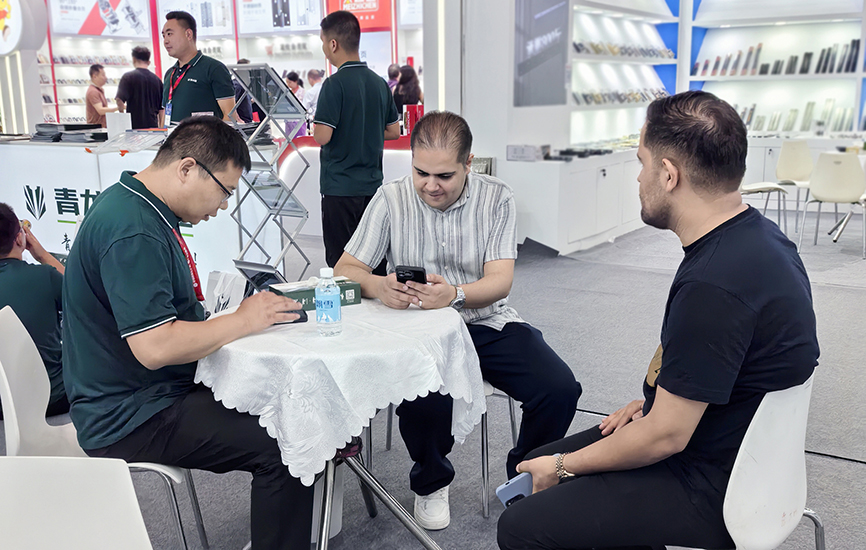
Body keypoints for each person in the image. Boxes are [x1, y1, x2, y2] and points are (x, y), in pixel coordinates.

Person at [497, 90, 820, 550]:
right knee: (535, 461)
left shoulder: (713, 284)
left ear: (669, 175)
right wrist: (658, 400)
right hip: (741, 446)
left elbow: (666, 437)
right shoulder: (760, 238)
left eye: (642, 163)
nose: (638, 177)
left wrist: (567, 466)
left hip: (714, 483)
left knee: (522, 522)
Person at [62, 116, 314, 550]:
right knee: (289, 443)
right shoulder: (134, 230)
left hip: (148, 391)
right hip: (132, 414)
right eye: (224, 191)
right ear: (187, 168)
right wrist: (243, 320)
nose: (223, 206)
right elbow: (155, 347)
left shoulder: (139, 205)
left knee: (292, 402)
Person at [335, 111, 581, 531]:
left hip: (484, 322)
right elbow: (346, 269)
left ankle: (526, 473)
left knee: (559, 389)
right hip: (417, 331)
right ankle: (431, 482)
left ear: (469, 163)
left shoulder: (496, 197)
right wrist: (378, 286)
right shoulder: (391, 198)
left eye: (444, 176)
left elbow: (500, 281)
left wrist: (455, 295)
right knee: (425, 394)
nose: (430, 185)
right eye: (421, 173)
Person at [314, 10, 399, 273]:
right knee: (374, 258)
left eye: (322, 42)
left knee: (341, 263)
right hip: (372, 188)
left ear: (333, 44)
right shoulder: (380, 83)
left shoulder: (333, 84)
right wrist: (364, 131)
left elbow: (322, 136)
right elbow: (394, 131)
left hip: (340, 189)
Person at [0, 204, 69, 419]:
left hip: (3, 408)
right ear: (20, 238)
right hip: (52, 398)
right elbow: (82, 293)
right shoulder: (45, 277)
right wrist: (42, 255)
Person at [159, 11, 238, 127]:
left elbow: (230, 116)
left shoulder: (214, 69)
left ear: (188, 34)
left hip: (205, 138)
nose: (165, 41)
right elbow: (165, 113)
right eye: (163, 36)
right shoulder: (170, 73)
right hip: (173, 138)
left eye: (169, 34)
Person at [115, 46, 163, 129]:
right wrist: (161, 128)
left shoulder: (127, 77)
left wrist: (122, 116)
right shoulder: (157, 80)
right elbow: (161, 108)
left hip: (133, 126)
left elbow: (119, 99)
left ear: (134, 59)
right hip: (153, 127)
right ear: (148, 61)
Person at [232, 58, 254, 123]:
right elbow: (232, 104)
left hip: (247, 120)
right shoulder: (237, 85)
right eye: (248, 68)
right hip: (242, 121)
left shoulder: (245, 85)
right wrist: (238, 119)